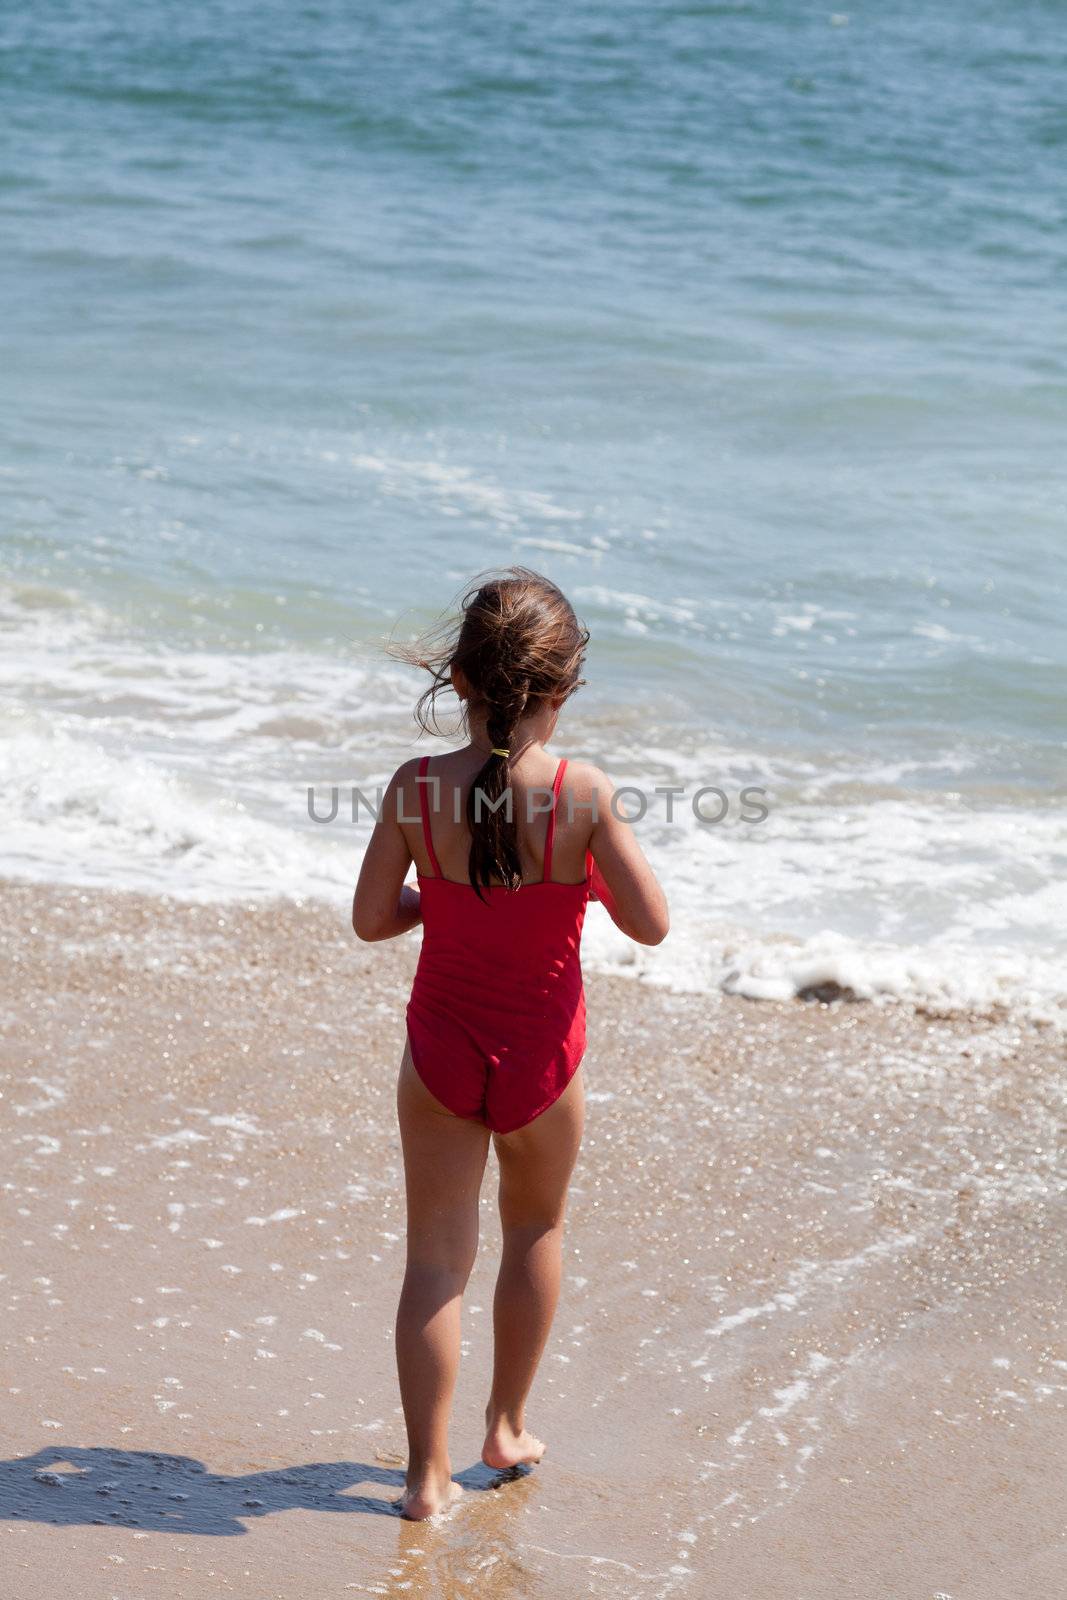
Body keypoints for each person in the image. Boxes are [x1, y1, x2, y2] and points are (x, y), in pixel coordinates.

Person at [352, 566, 669, 1520]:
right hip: (542, 1058)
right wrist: (569, 885)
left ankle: (423, 1480)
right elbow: (650, 924)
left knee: (434, 1264)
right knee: (534, 1229)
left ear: (458, 680)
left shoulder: (416, 790)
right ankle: (505, 1426)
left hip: (441, 1051)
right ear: (564, 689)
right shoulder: (582, 795)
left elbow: (372, 918)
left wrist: (445, 900)